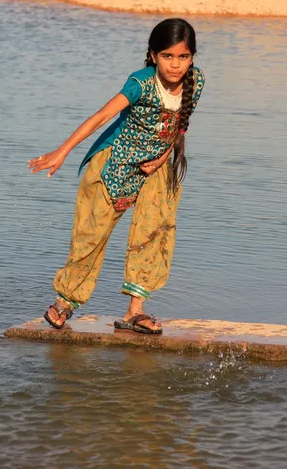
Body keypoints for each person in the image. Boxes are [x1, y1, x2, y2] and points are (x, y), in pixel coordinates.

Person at [28, 18, 205, 334]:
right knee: (91, 236)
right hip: (114, 165)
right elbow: (101, 117)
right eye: (168, 56)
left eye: (183, 57)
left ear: (192, 57)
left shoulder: (197, 82)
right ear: (153, 55)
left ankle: (135, 311)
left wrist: (163, 157)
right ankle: (64, 302)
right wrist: (62, 151)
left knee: (155, 232)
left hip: (156, 170)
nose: (176, 65)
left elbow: (180, 125)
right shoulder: (140, 83)